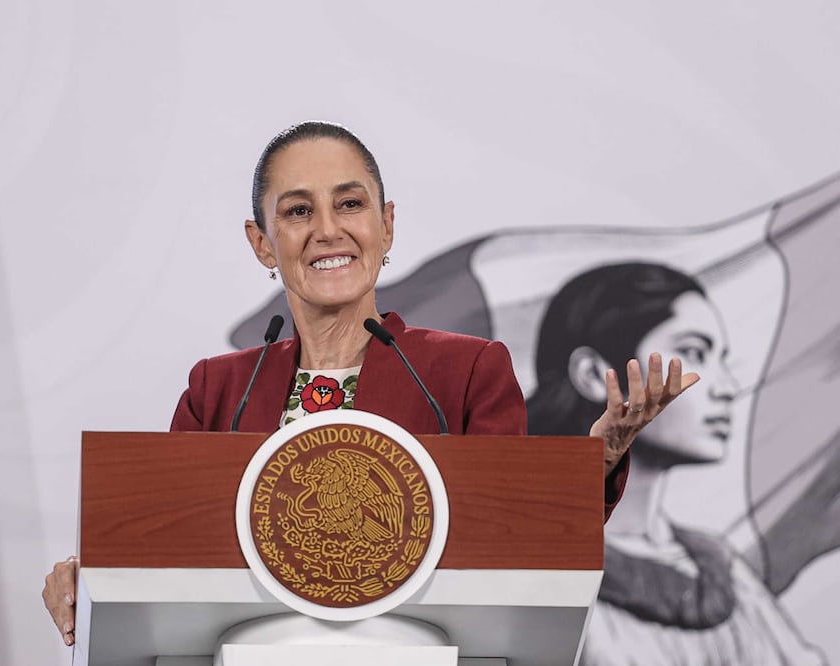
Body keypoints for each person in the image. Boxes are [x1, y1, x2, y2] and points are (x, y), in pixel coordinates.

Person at [42, 122, 698, 647]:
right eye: (298, 211)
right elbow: (165, 546)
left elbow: (514, 537)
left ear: (386, 225)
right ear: (262, 243)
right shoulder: (218, 390)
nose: (327, 229)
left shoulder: (464, 373)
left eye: (349, 204)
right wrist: (91, 577)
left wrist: (598, 458)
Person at [526, 262, 824, 665]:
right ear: (595, 375)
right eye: (693, 352)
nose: (727, 388)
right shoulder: (531, 572)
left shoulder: (723, 572)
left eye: (720, 359)